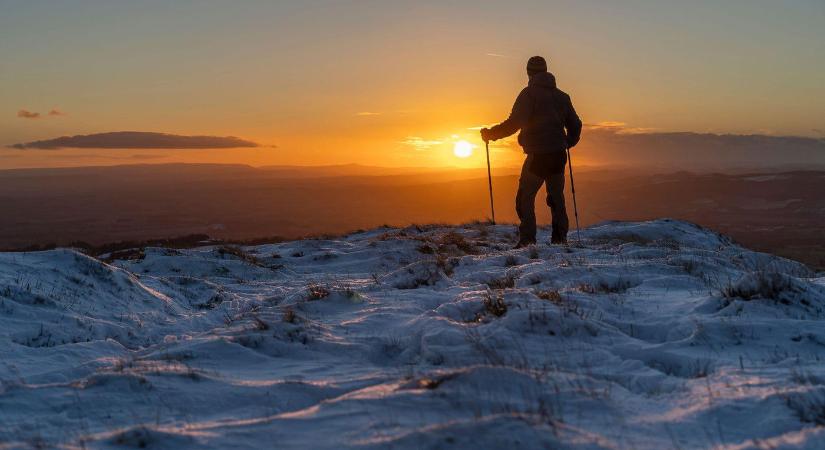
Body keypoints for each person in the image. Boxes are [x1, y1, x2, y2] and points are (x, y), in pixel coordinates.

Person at [481, 55, 582, 248]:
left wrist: (490, 134)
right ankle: (560, 239)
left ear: (529, 73)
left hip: (537, 157)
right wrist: (568, 142)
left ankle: (528, 240)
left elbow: (515, 123)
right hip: (559, 155)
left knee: (525, 198)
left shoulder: (528, 95)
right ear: (546, 71)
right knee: (556, 197)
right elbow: (575, 125)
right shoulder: (562, 96)